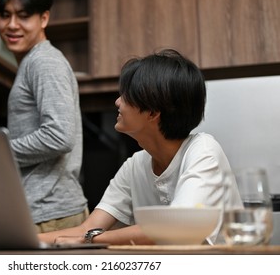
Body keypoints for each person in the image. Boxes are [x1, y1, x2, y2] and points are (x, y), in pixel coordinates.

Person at [38, 49, 243, 245]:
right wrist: (22, 239)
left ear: (153, 113)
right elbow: (89, 227)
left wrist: (93, 239)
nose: (118, 102)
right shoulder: (134, 165)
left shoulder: (203, 151)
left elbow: (176, 228)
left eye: (126, 96)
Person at [0, 0, 88, 232]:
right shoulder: (34, 62)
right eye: (5, 15)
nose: (12, 25)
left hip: (50, 212)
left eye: (23, 16)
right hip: (45, 210)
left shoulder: (43, 61)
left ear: (44, 18)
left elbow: (59, 135)